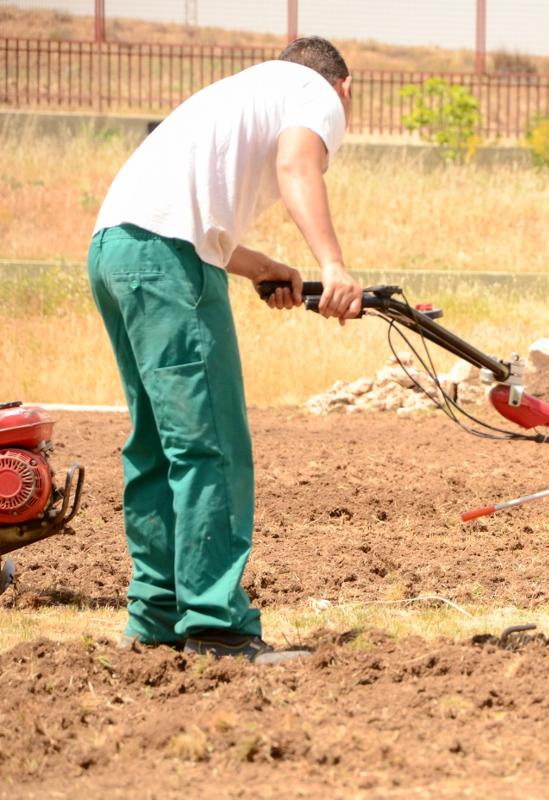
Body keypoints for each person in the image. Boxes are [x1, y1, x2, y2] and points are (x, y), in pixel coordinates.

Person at [88, 36, 363, 663]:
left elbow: (179, 214)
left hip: (114, 251)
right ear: (346, 87)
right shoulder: (317, 90)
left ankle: (155, 615)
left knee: (159, 444)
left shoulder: (241, 92)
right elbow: (298, 166)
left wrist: (260, 264)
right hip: (168, 261)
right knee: (209, 443)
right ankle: (217, 622)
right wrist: (334, 265)